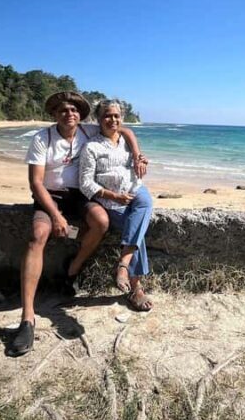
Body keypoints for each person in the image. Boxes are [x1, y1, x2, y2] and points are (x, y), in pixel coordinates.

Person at [9, 91, 147, 356]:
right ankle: (27, 318)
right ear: (54, 114)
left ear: (80, 115)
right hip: (50, 197)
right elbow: (36, 183)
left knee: (101, 221)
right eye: (63, 110)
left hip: (80, 196)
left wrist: (138, 154)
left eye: (74, 110)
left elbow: (125, 130)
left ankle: (72, 270)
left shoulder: (86, 130)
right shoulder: (42, 138)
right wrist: (57, 216)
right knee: (38, 235)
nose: (69, 114)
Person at [79, 100, 154, 312]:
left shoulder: (126, 141)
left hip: (135, 189)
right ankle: (136, 287)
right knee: (136, 228)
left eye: (116, 116)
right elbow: (85, 183)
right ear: (98, 119)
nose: (112, 120)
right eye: (107, 116)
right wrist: (113, 195)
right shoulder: (91, 147)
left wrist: (141, 159)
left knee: (146, 202)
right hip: (111, 201)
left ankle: (123, 263)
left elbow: (131, 139)